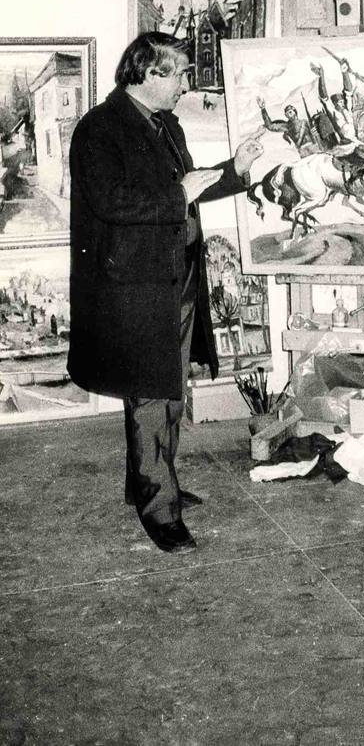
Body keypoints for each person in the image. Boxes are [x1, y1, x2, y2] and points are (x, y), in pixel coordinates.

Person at [68, 32, 263, 555]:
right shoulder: (99, 128)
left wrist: (236, 170)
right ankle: (159, 508)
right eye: (177, 73)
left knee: (170, 388)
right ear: (147, 73)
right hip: (136, 284)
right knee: (151, 395)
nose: (185, 84)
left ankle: (149, 481)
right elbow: (113, 202)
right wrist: (180, 193)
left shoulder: (166, 123)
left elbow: (189, 186)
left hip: (177, 276)